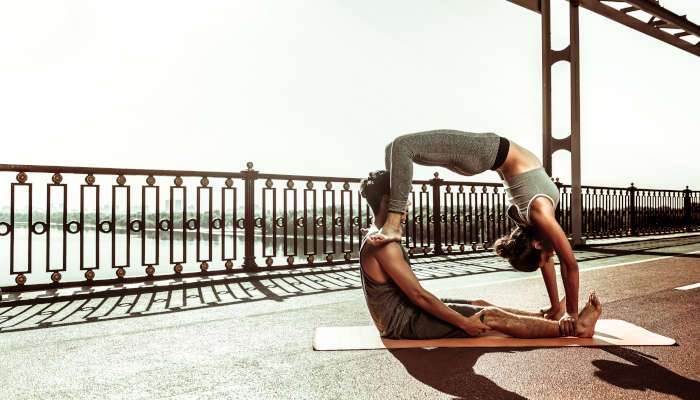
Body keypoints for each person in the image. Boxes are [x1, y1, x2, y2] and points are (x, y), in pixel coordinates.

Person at [366, 130, 582, 331]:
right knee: (397, 148)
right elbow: (569, 264)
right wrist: (571, 312)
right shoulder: (540, 213)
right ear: (536, 244)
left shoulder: (535, 227)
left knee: (399, 147)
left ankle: (391, 218)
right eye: (548, 255)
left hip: (487, 155)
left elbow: (547, 262)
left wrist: (557, 307)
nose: (550, 256)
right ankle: (392, 224)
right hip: (488, 152)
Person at [359, 170, 602, 340]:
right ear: (388, 200)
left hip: (406, 313)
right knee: (488, 316)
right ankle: (574, 329)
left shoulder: (378, 235)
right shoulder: (383, 244)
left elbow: (416, 297)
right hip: (402, 323)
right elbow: (419, 296)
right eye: (404, 197)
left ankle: (544, 318)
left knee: (480, 305)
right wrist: (465, 323)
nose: (407, 204)